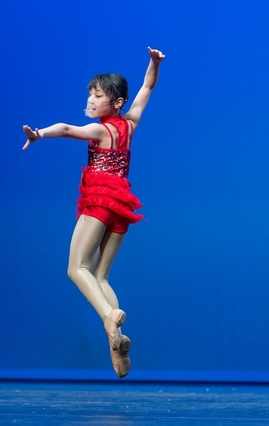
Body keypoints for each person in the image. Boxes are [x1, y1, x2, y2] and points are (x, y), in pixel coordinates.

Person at [22, 47, 165, 378]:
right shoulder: (130, 125)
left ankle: (109, 317)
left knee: (77, 268)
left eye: (98, 96)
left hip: (99, 201)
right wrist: (154, 63)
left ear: (116, 103)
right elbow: (147, 87)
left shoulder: (102, 131)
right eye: (90, 93)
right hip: (122, 208)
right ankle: (117, 341)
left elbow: (66, 129)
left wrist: (39, 134)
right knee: (100, 277)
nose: (91, 99)